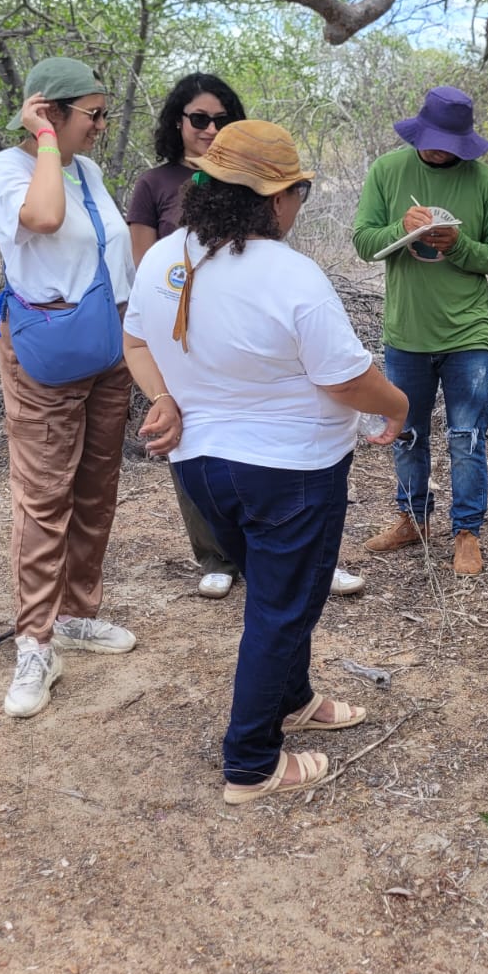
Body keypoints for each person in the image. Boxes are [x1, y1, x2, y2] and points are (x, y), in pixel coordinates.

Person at [122, 120, 408, 803]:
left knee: (279, 595)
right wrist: (399, 405)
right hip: (290, 474)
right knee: (281, 610)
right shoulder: (289, 273)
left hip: (202, 469)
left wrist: (164, 397)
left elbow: (135, 342)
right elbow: (346, 380)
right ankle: (250, 764)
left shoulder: (163, 257)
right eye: (298, 194)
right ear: (278, 198)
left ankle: (293, 699)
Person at [128, 74, 366, 601]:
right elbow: (143, 285)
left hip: (223, 395)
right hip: (193, 339)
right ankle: (224, 559)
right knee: (279, 603)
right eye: (199, 119)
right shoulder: (160, 200)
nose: (209, 128)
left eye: (221, 120)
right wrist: (396, 406)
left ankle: (291, 563)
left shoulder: (274, 265)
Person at [0, 57, 139, 719]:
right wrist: (45, 138)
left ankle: (76, 613)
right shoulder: (10, 168)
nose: (102, 125)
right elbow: (43, 219)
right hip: (48, 348)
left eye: (104, 113)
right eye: (92, 114)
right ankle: (35, 642)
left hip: (107, 344)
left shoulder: (88, 171)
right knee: (45, 496)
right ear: (50, 111)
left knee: (96, 486)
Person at [352, 86, 488, 575]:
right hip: (407, 332)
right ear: (418, 133)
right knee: (407, 433)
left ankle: (467, 532)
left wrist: (459, 245)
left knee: (467, 436)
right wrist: (400, 231)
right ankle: (413, 519)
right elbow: (364, 242)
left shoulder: (485, 182)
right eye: (435, 141)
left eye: (452, 144)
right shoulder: (387, 171)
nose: (442, 151)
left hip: (467, 333)